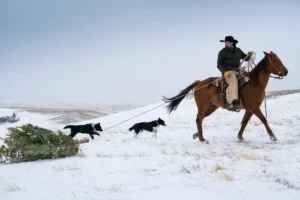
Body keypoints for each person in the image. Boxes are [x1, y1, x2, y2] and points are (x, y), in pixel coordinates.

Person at [217, 36, 252, 109]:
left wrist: (249, 56)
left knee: (248, 78)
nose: (225, 44)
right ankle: (230, 103)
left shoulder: (238, 50)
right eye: (225, 42)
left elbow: (245, 58)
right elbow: (219, 64)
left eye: (227, 42)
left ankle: (247, 100)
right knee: (233, 82)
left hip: (238, 70)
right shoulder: (222, 52)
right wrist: (224, 72)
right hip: (229, 72)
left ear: (231, 43)